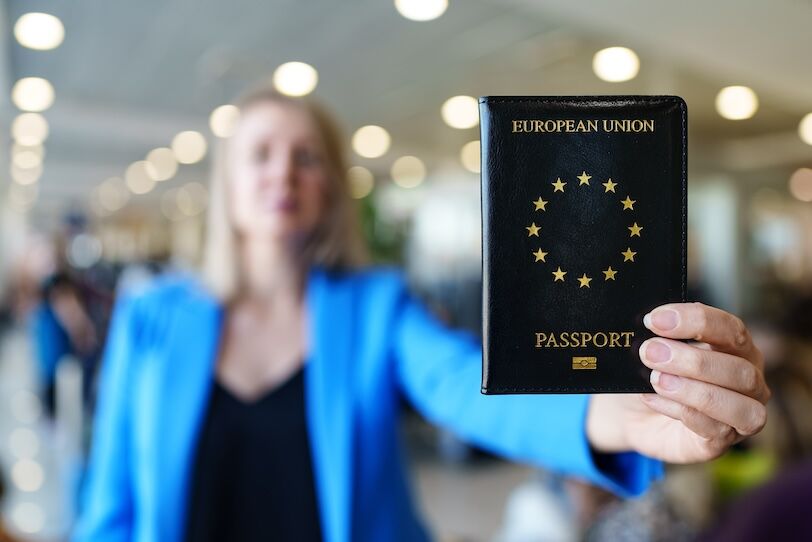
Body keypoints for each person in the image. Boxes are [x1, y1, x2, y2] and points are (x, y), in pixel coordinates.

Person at [73, 85, 770, 542]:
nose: (282, 173)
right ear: (227, 182)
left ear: (331, 187)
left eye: (306, 157)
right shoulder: (153, 318)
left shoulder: (376, 307)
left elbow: (468, 386)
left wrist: (614, 419)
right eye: (260, 154)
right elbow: (112, 506)